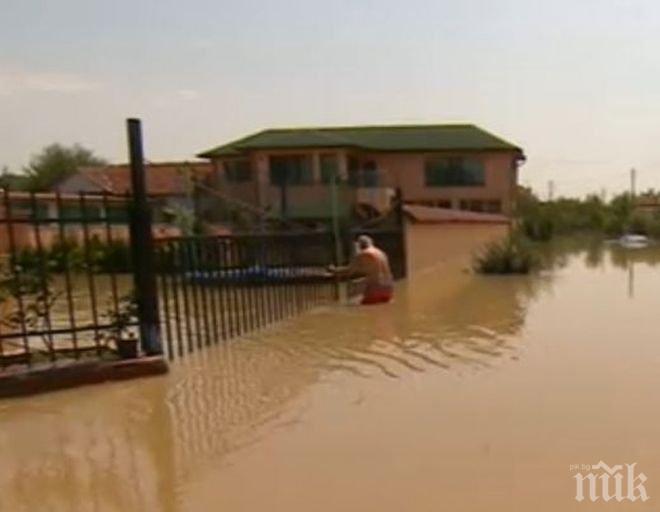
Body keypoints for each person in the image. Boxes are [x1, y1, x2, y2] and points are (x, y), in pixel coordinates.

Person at [329, 235, 394, 305]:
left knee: (362, 310)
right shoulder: (381, 253)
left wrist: (334, 270)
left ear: (359, 245)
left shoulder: (363, 254)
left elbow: (350, 270)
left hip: (375, 288)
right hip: (388, 288)